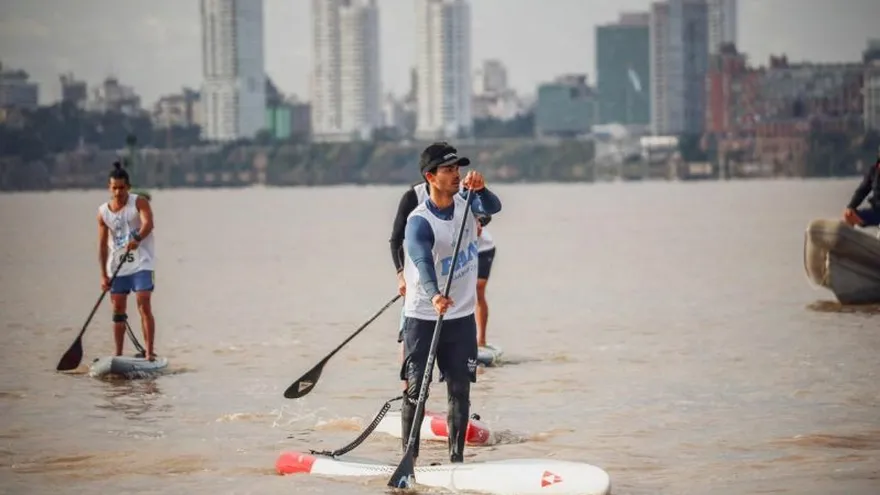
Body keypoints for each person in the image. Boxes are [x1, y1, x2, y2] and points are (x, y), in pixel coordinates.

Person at [399, 142, 502, 465]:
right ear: (430, 177)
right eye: (448, 169)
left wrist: (482, 189)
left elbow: (494, 207)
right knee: (417, 390)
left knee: (460, 390)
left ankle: (457, 461)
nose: (456, 174)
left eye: (458, 168)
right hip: (423, 315)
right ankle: (409, 459)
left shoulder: (468, 202)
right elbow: (422, 262)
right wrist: (435, 295)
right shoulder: (419, 221)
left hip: (461, 317)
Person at [97, 162, 158, 361]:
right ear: (109, 188)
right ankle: (118, 355)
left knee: (144, 302)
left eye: (122, 188)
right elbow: (102, 246)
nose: (118, 192)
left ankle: (149, 353)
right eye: (114, 188)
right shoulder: (103, 212)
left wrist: (138, 238)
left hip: (141, 262)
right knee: (118, 309)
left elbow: (148, 224)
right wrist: (103, 275)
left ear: (128, 187)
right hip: (118, 265)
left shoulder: (139, 202)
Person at [843, 148, 880, 228]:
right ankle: (851, 235)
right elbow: (862, 191)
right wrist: (851, 207)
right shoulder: (874, 170)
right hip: (877, 212)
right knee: (849, 215)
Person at [474, 213, 495, 348]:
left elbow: (487, 213)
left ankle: (481, 340)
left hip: (482, 248)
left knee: (478, 289)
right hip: (455, 249)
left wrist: (479, 222)